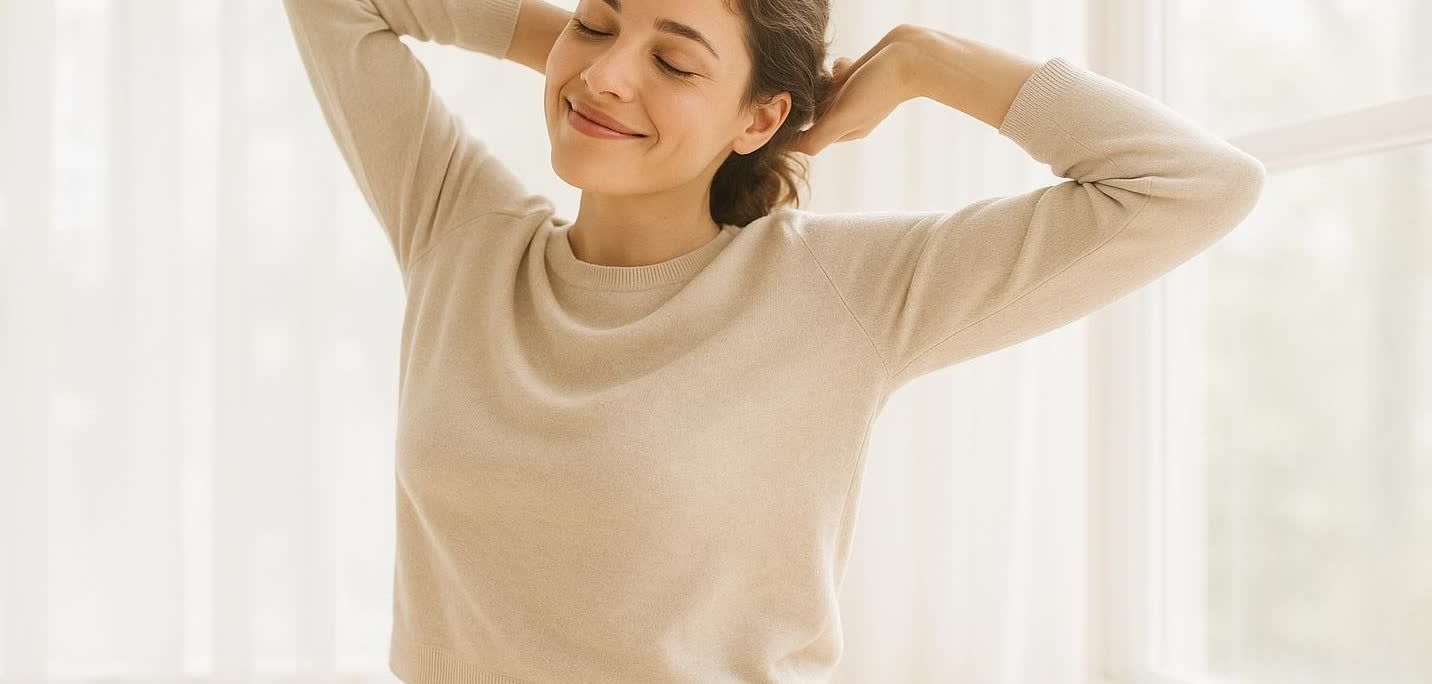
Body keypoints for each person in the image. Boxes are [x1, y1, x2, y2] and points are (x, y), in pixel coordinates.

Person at [281, 0, 1267, 681]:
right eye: (594, 18)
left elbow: (1194, 185)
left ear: (760, 118)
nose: (613, 73)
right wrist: (585, 54)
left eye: (675, 61)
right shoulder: (460, 232)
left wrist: (928, 63)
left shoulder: (841, 293)